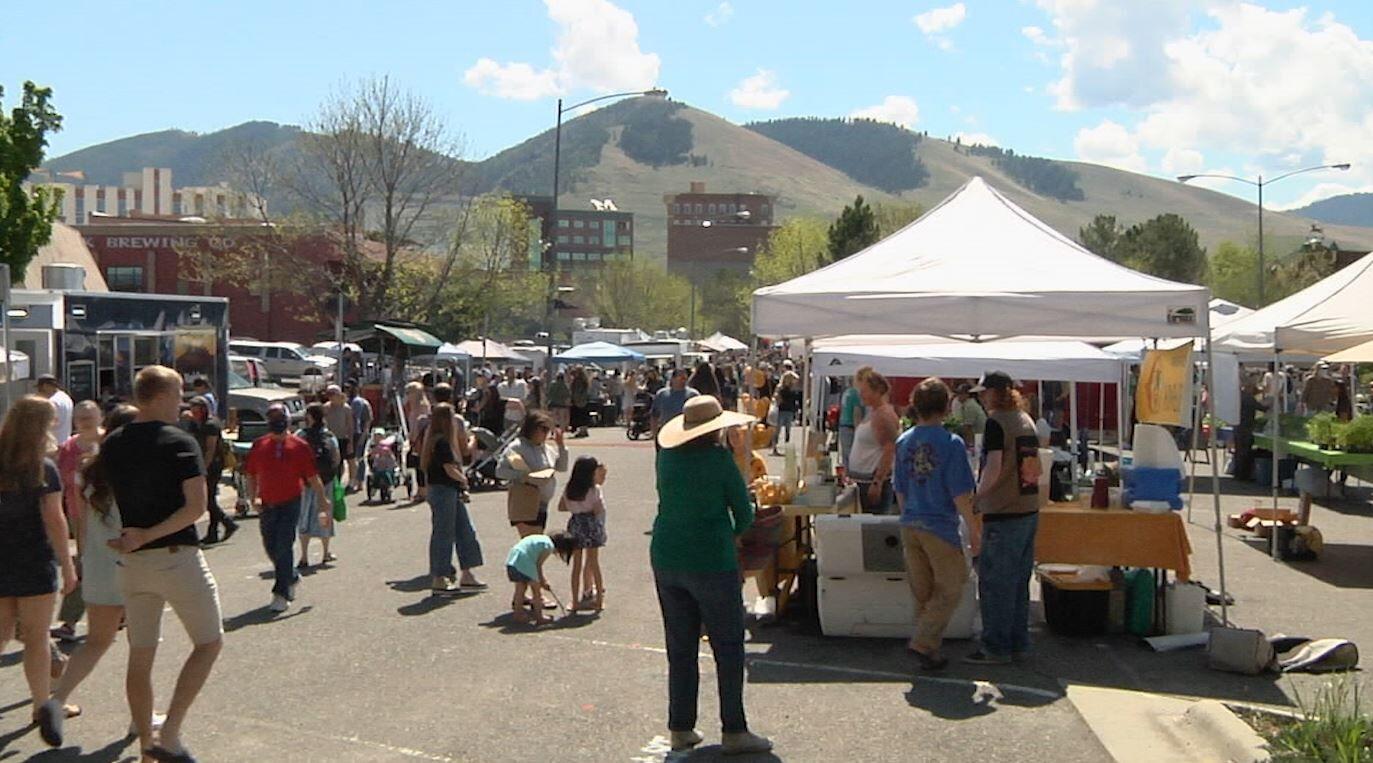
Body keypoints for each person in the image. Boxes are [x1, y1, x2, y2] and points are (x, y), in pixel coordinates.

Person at [100, 366, 222, 761]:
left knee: (141, 654)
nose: (181, 402)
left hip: (132, 564)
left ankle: (147, 748)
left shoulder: (113, 442)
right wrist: (148, 534)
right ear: (160, 396)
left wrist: (127, 537)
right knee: (209, 642)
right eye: (177, 393)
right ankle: (168, 734)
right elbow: (196, 508)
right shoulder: (178, 441)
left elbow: (100, 495)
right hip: (175, 557)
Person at [652, 395, 771, 755]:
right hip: (711, 558)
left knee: (681, 646)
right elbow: (744, 512)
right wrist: (732, 533)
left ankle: (680, 726)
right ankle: (734, 728)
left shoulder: (666, 457)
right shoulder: (719, 460)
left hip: (667, 554)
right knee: (728, 646)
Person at [49, 405, 154, 731]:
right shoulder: (140, 470)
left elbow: (80, 523)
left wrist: (81, 559)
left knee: (97, 640)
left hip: (98, 562)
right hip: (135, 563)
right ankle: (141, 718)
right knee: (142, 645)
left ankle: (55, 701)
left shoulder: (88, 470)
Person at [0, 396, 77, 748]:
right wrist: (68, 565)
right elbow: (55, 520)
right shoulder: (43, 468)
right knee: (36, 638)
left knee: (1, 635)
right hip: (33, 558)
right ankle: (40, 705)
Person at [892, 379, 980, 671]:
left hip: (911, 521)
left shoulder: (903, 441)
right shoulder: (951, 444)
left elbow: (900, 488)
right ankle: (923, 642)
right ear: (945, 407)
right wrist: (974, 530)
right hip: (939, 524)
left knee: (924, 592)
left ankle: (930, 651)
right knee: (952, 586)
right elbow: (960, 493)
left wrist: (908, 515)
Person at [966, 370, 1041, 666]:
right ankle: (1018, 642)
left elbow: (994, 467)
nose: (983, 398)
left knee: (996, 583)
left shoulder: (996, 422)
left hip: (1004, 510)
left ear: (995, 393)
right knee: (1019, 582)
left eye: (985, 393)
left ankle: (995, 646)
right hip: (1028, 507)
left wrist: (977, 497)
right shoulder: (1025, 419)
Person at [244, 403, 330, 612]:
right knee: (271, 546)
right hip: (267, 504)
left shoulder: (299, 446)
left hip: (290, 502)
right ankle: (291, 576)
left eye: (280, 418)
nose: (276, 422)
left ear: (288, 420)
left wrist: (322, 501)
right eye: (273, 418)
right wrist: (253, 498)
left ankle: (281, 593)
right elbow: (251, 475)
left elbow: (312, 476)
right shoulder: (259, 445)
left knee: (284, 545)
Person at [52, 401, 103, 642]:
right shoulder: (68, 448)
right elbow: (60, 484)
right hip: (78, 516)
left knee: (112, 564)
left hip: (109, 516)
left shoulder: (109, 443)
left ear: (100, 417)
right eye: (80, 417)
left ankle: (120, 611)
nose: (85, 422)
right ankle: (70, 623)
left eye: (89, 417)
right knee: (84, 564)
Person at [424, 402, 486, 594]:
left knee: (465, 530)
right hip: (443, 491)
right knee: (444, 534)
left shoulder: (441, 441)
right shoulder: (440, 442)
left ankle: (467, 574)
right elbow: (449, 468)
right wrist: (464, 480)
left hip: (450, 490)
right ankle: (439, 577)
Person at [496, 411, 569, 538]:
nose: (547, 434)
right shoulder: (517, 447)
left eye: (549, 430)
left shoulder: (546, 449)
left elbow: (562, 467)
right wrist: (524, 476)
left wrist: (561, 446)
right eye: (544, 429)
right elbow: (500, 471)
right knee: (532, 542)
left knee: (537, 542)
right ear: (532, 428)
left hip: (543, 503)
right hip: (525, 500)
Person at [184, 396, 237, 546]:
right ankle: (213, 532)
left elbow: (210, 450)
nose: (194, 414)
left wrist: (204, 468)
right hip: (201, 462)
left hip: (213, 465)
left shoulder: (211, 424)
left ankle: (227, 523)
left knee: (208, 499)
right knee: (210, 499)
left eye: (197, 411)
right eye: (193, 411)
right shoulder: (196, 424)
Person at [559, 456, 608, 612]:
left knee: (576, 565)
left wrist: (575, 507)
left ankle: (574, 601)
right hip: (591, 524)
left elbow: (561, 506)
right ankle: (599, 601)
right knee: (594, 563)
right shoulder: (594, 489)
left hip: (576, 524)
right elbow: (598, 509)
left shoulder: (569, 489)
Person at [849, 369, 899, 513]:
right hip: (863, 481)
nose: (861, 395)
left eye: (865, 391)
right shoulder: (874, 412)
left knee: (872, 523)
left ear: (877, 391)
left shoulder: (882, 415)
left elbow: (889, 449)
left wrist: (877, 482)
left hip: (871, 483)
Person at [297, 403, 340, 569]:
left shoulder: (301, 435)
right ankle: (325, 552)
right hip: (325, 480)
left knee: (304, 516)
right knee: (324, 515)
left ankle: (304, 556)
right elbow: (336, 457)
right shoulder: (329, 435)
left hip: (305, 482)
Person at [505, 531, 577, 626]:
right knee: (536, 591)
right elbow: (538, 565)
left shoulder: (541, 538)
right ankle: (540, 618)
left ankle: (518, 614)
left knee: (520, 589)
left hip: (513, 560)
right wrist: (542, 581)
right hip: (525, 561)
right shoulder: (548, 546)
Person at [1233, 380, 1269, 482]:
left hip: (1238, 426)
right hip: (1246, 427)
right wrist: (1270, 403)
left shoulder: (1239, 397)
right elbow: (1262, 408)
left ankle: (1237, 473)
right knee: (1245, 451)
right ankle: (1243, 475)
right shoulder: (1249, 398)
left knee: (1239, 451)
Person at [650, 368, 700, 439]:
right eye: (681, 378)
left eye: (685, 378)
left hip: (686, 433)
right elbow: (654, 416)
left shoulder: (693, 394)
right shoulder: (662, 394)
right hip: (667, 433)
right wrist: (655, 435)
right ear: (673, 379)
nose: (684, 381)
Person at [322, 384, 355, 486]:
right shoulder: (326, 407)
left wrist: (350, 442)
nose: (331, 397)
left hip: (343, 438)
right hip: (330, 439)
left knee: (347, 460)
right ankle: (334, 482)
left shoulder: (346, 408)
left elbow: (350, 426)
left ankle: (351, 481)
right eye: (329, 395)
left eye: (333, 394)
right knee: (333, 462)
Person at [837, 370, 869, 469]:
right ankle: (852, 474)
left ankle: (846, 473)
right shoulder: (856, 394)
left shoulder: (846, 392)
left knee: (845, 455)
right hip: (850, 427)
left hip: (843, 425)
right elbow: (856, 413)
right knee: (853, 455)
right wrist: (859, 431)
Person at [346, 382, 373, 492]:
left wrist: (364, 433)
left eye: (349, 388)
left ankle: (360, 482)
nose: (347, 390)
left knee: (359, 457)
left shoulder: (362, 403)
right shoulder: (347, 402)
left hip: (359, 433)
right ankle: (354, 481)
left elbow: (368, 420)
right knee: (352, 459)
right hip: (350, 433)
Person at [35, 373, 74, 444]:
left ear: (45, 386)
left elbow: (45, 426)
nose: (38, 392)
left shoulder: (52, 402)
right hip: (66, 442)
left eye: (39, 389)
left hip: (55, 444)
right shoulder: (65, 397)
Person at [771, 370, 801, 456]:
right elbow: (776, 397)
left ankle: (787, 449)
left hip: (789, 410)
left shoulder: (793, 388)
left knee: (788, 431)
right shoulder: (780, 387)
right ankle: (774, 448)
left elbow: (795, 399)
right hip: (781, 410)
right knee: (778, 430)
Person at [954, 383, 987, 452]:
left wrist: (969, 444)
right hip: (978, 435)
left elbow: (968, 427)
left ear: (967, 394)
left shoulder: (969, 405)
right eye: (958, 393)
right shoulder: (968, 404)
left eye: (961, 393)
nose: (958, 396)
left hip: (979, 437)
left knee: (976, 455)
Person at [570, 366, 591, 438]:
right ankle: (584, 430)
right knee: (583, 415)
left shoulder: (578, 381)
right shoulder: (585, 380)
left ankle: (582, 431)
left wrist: (574, 399)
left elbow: (576, 391)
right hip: (584, 400)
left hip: (578, 400)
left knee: (579, 416)